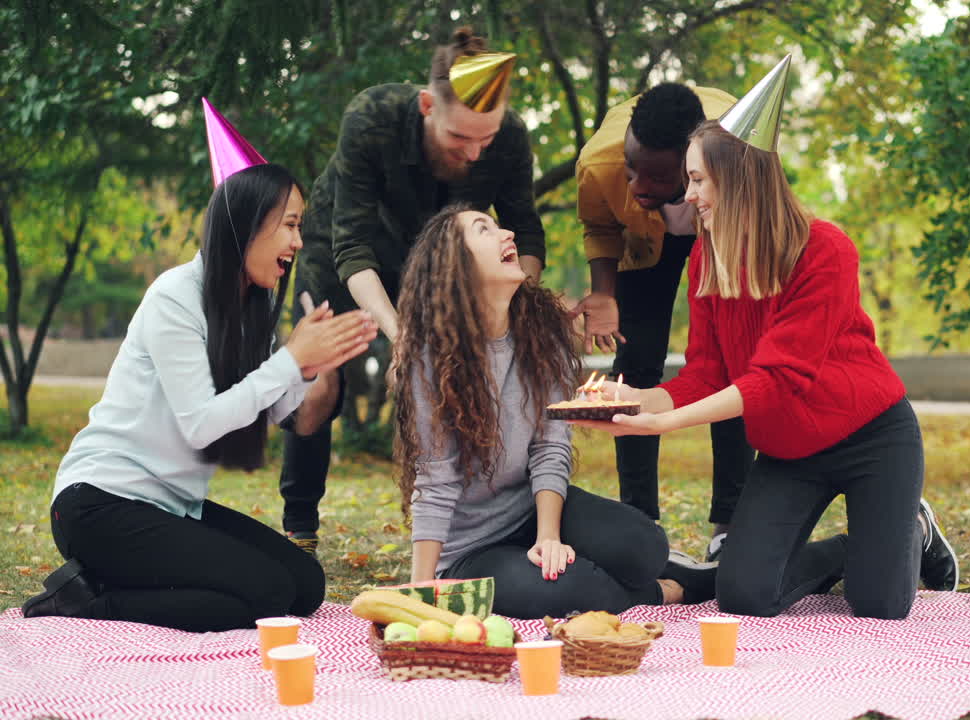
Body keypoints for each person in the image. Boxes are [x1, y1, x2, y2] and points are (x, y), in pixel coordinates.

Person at [574, 57, 958, 619]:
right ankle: (852, 550)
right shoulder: (707, 256)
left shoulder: (827, 250)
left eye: (698, 180)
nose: (689, 196)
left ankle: (911, 531)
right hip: (790, 450)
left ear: (738, 178)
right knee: (744, 594)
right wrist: (630, 401)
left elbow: (776, 378)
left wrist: (663, 421)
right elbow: (707, 373)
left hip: (871, 437)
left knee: (879, 605)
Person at [21, 163, 379, 631]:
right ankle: (89, 600)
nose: (297, 242)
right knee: (267, 593)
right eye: (290, 225)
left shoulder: (256, 308)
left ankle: (123, 587)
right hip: (98, 506)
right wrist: (290, 361)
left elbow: (301, 419)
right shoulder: (175, 298)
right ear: (248, 224)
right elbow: (202, 424)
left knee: (304, 585)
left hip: (173, 507)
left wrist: (323, 366)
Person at [281, 28, 545, 553]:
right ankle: (299, 527)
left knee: (458, 375)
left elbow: (526, 231)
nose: (474, 153)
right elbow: (351, 246)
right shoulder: (373, 116)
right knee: (319, 384)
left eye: (485, 140)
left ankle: (472, 525)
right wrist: (400, 333)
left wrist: (520, 308)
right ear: (427, 105)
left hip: (437, 264)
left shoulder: (510, 136)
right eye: (459, 139)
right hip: (343, 257)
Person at [392, 205, 714, 618]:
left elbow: (550, 446)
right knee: (567, 587)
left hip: (531, 509)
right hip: (472, 550)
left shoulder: (541, 332)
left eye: (498, 223)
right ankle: (660, 593)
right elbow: (435, 481)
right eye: (483, 230)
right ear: (456, 265)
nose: (506, 232)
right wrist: (423, 589)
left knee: (644, 546)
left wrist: (547, 535)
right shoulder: (429, 359)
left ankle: (627, 571)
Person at [572, 82, 752, 561]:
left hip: (721, 238)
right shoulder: (598, 164)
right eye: (632, 170)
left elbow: (764, 214)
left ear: (694, 165)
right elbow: (600, 226)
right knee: (636, 363)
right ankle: (639, 518)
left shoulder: (739, 153)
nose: (636, 187)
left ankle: (730, 523)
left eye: (653, 178)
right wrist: (605, 294)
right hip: (642, 247)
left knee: (735, 369)